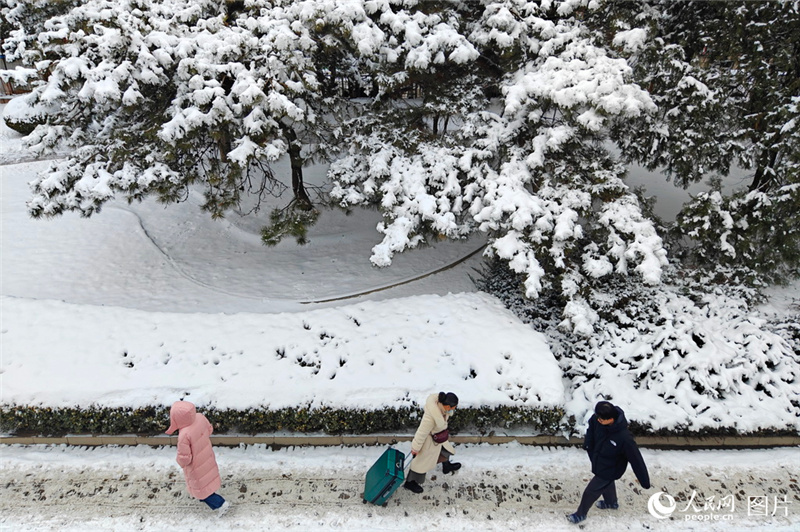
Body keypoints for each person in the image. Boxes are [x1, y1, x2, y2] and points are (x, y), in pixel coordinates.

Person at [567, 400, 651, 524]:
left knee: (591, 491)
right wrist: (588, 446)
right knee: (607, 484)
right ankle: (611, 503)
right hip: (599, 460)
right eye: (598, 417)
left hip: (612, 468)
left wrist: (645, 482)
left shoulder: (624, 438)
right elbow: (591, 430)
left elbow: (636, 460)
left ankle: (580, 514)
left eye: (602, 419)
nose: (598, 420)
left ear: (611, 419)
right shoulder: (597, 419)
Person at [166, 400, 231, 516]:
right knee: (207, 478)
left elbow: (185, 458)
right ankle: (208, 496)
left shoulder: (184, 435)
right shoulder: (200, 417)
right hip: (206, 455)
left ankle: (220, 503)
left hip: (195, 466)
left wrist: (180, 461)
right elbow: (209, 429)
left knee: (201, 488)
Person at [403, 391, 461, 494]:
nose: (454, 409)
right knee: (421, 463)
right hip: (429, 443)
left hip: (438, 439)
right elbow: (421, 433)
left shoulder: (442, 409)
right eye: (453, 407)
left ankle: (446, 466)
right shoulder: (430, 417)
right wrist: (415, 448)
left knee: (445, 450)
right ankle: (410, 482)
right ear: (447, 406)